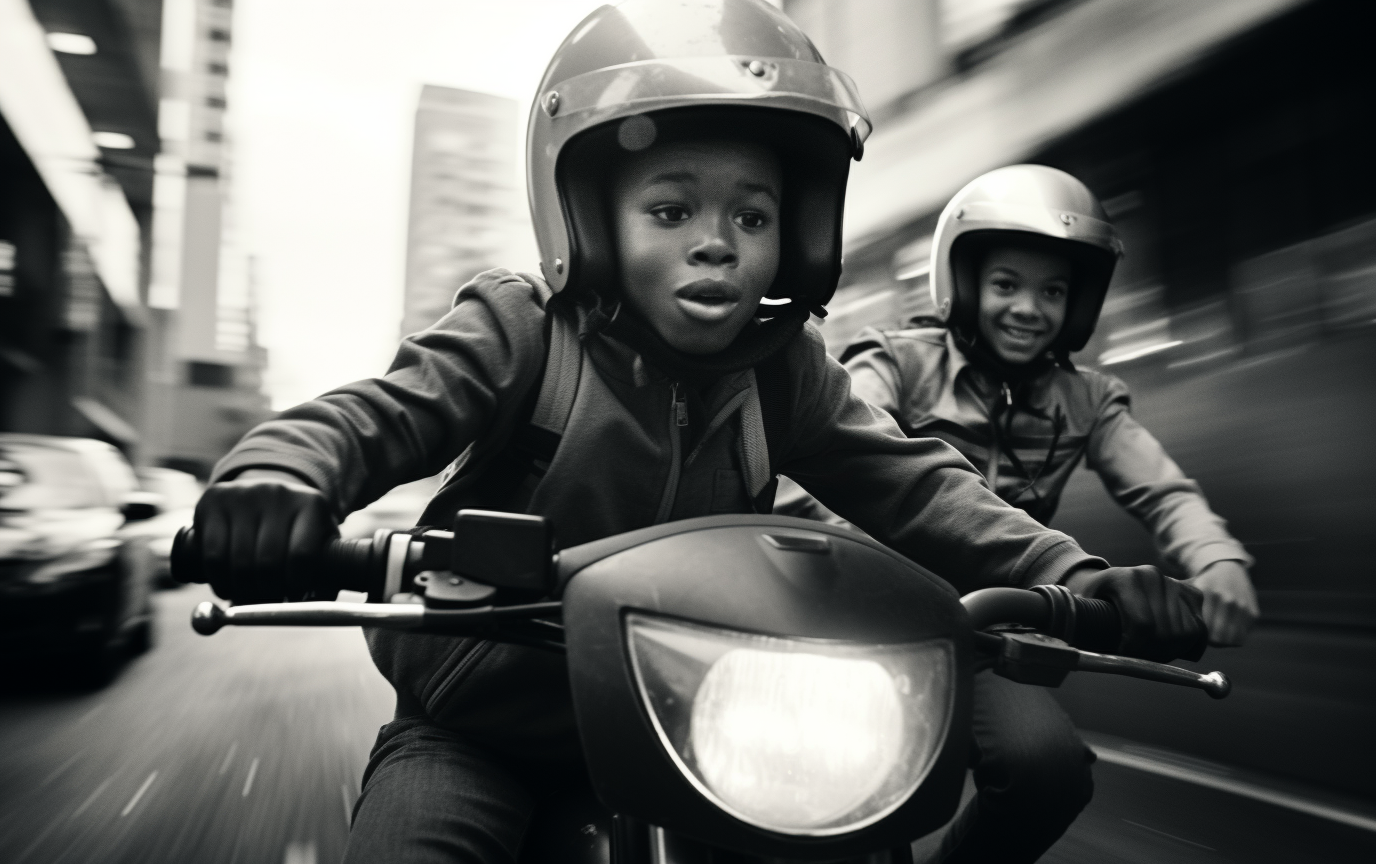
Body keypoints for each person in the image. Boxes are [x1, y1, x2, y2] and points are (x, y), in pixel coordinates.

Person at [192, 4, 1206, 863]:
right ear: (590, 218)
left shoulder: (786, 369)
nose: (715, 242)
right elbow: (376, 415)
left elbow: (919, 486)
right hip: (486, 724)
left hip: (703, 721)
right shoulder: (517, 334)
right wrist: (279, 482)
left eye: (751, 218)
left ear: (791, 237)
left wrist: (1079, 578)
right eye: (670, 209)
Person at [779, 164, 1258, 648]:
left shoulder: (1089, 399)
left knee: (1037, 730)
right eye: (1006, 285)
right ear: (964, 285)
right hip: (863, 606)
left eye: (1053, 291)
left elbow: (1163, 491)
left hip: (999, 626)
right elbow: (847, 467)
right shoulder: (896, 361)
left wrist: (1218, 560)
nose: (1029, 308)